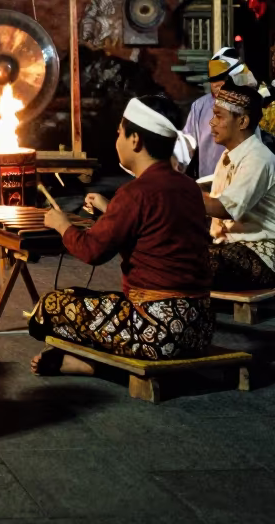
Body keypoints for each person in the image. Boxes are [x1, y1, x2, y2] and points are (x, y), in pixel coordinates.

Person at [29, 94, 213, 376]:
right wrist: (109, 208)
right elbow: (156, 226)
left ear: (136, 140)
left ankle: (96, 366)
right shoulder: (188, 187)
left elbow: (92, 251)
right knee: (102, 302)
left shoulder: (134, 193)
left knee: (51, 307)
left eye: (119, 134)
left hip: (157, 333)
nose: (116, 140)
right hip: (200, 327)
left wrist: (62, 224)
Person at [203, 82, 275, 289]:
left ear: (242, 121)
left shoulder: (258, 158)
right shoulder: (227, 156)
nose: (211, 123)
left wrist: (182, 192)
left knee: (194, 263)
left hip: (262, 253)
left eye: (219, 116)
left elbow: (224, 208)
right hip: (230, 247)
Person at [182, 47, 253, 180]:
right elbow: (187, 145)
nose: (216, 84)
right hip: (208, 182)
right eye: (213, 79)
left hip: (241, 182)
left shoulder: (246, 106)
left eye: (222, 78)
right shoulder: (199, 107)